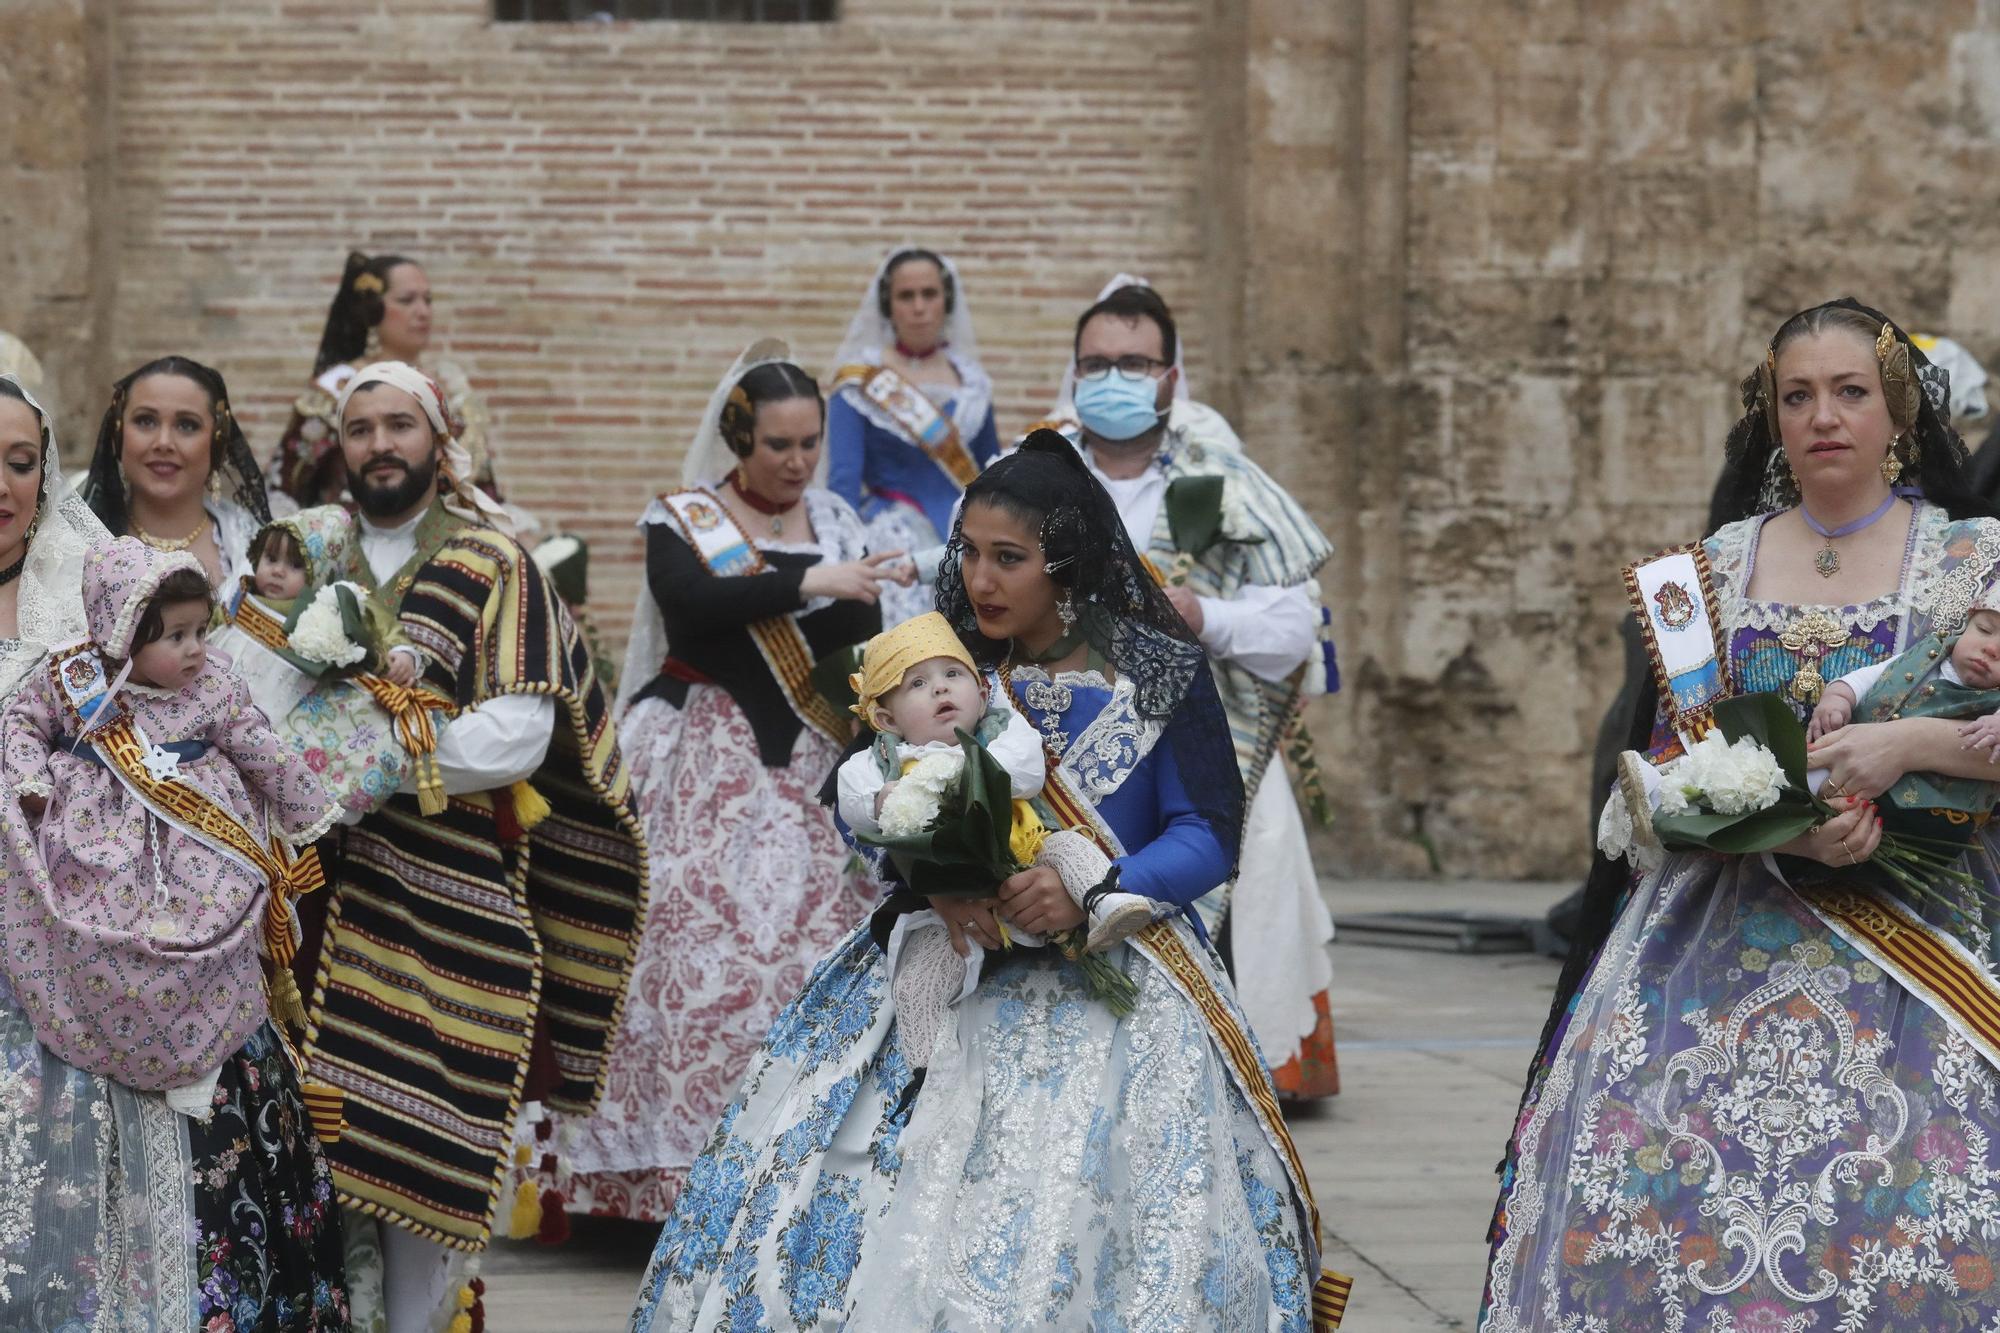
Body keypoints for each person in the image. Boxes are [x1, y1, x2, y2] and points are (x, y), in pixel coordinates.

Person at [630, 434, 1352, 1332]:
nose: (980, 578)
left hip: (1120, 963)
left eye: (1008, 558)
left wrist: (1094, 889)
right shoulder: (945, 664)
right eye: (968, 552)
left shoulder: (1158, 669)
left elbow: (1207, 832)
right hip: (957, 957)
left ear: (1067, 559)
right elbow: (869, 796)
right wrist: (932, 879)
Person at [1484, 299, 2000, 1332]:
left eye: (1848, 392)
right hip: (1707, 944)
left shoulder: (1972, 560)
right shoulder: (1705, 573)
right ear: (1769, 416)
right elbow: (1662, 771)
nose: (1822, 416)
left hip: (1923, 938)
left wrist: (1900, 746)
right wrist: (1782, 822)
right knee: (1641, 1184)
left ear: (1896, 409)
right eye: (1795, 395)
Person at [296, 361, 645, 1332]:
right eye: (359, 427)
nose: (378, 444)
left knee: (420, 1149)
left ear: (438, 440)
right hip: (303, 898)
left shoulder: (492, 560)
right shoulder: (303, 556)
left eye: (398, 424)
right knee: (308, 1151)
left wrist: (359, 757)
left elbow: (518, 738)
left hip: (438, 897)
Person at [0, 375, 354, 1331]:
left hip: (106, 936)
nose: (1, 484)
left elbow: (203, 721)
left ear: (49, 470)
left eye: (20, 462)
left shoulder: (98, 583)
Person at [547, 340, 891, 1225]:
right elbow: (691, 602)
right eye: (778, 444)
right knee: (688, 956)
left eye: (810, 441)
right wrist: (812, 578)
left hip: (808, 769)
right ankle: (674, 1179)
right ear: (739, 440)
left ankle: (800, 1163)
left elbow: (856, 637)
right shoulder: (684, 516)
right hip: (698, 760)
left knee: (806, 964)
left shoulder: (839, 519)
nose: (798, 461)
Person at [1038, 277, 1342, 1099]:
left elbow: (1291, 626)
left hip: (1199, 741)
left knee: (1247, 860)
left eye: (1134, 362)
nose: (1114, 377)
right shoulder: (1033, 472)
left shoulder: (1225, 479)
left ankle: (1222, 1075)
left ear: (1172, 375)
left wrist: (1204, 612)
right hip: (1054, 751)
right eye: (1097, 362)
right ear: (1072, 372)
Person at [834, 609, 1154, 1081]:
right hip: (957, 897)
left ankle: (1104, 901)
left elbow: (1025, 770)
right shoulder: (882, 760)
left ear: (983, 692)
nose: (940, 688)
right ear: (885, 717)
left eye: (952, 674)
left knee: (1070, 849)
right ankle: (926, 1072)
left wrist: (954, 773)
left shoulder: (1001, 730)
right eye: (917, 685)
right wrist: (885, 799)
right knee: (917, 983)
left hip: (1028, 854)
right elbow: (853, 801)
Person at [209, 506, 433, 822]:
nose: (277, 571)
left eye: (295, 565)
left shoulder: (330, 604)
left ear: (319, 571)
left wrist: (402, 654)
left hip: (285, 700)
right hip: (227, 687)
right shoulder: (238, 594)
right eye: (270, 559)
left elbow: (382, 625)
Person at [827, 246, 1002, 624]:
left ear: (946, 301)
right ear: (889, 305)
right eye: (906, 296)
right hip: (891, 540)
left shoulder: (971, 382)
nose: (919, 307)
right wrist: (844, 563)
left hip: (964, 545)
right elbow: (842, 481)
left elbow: (994, 475)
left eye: (929, 294)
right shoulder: (860, 382)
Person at [267, 251, 504, 513]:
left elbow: (483, 487)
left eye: (428, 300)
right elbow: (286, 485)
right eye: (407, 300)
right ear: (373, 309)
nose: (423, 312)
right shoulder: (337, 389)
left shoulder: (451, 388)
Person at [78, 354, 274, 591]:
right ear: (119, 433)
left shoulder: (255, 549)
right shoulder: (74, 546)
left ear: (217, 440)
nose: (163, 442)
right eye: (145, 421)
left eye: (186, 425)